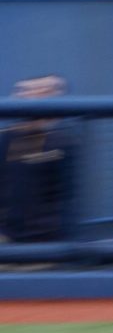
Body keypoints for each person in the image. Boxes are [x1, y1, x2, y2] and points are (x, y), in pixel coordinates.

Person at [0, 75, 76, 243]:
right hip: (7, 236)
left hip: (45, 239)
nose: (32, 94)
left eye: (44, 90)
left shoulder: (61, 142)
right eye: (26, 90)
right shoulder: (6, 139)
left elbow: (66, 196)